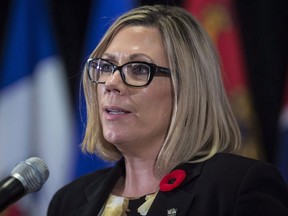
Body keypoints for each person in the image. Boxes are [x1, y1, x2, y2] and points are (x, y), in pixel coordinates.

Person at [48, 5, 288, 216]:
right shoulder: (70, 201)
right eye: (106, 66)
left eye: (139, 69)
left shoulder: (236, 188)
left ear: (187, 88)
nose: (111, 83)